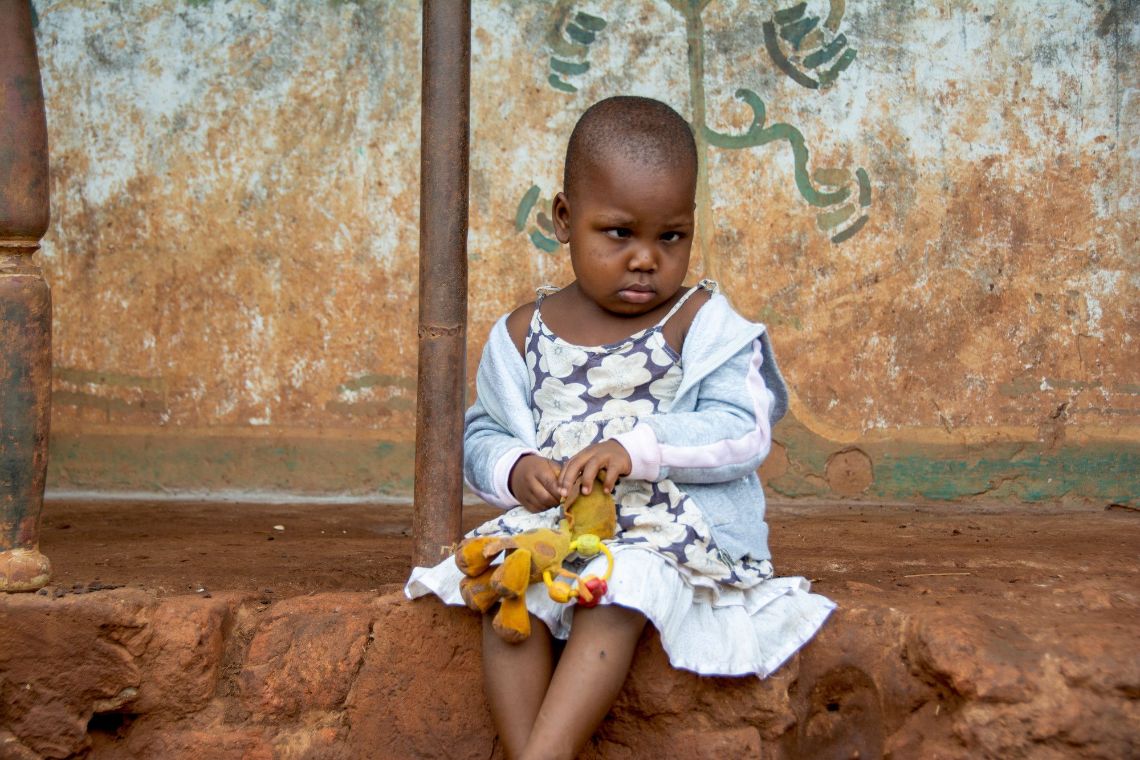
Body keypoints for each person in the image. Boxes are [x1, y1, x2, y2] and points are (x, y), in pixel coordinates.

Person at [406, 95, 834, 760]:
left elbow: (742, 430)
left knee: (611, 590)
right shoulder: (522, 333)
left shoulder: (702, 324)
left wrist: (634, 450)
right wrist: (517, 468)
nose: (646, 259)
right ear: (564, 219)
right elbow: (481, 433)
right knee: (509, 589)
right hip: (554, 529)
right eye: (618, 233)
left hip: (668, 530)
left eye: (671, 237)